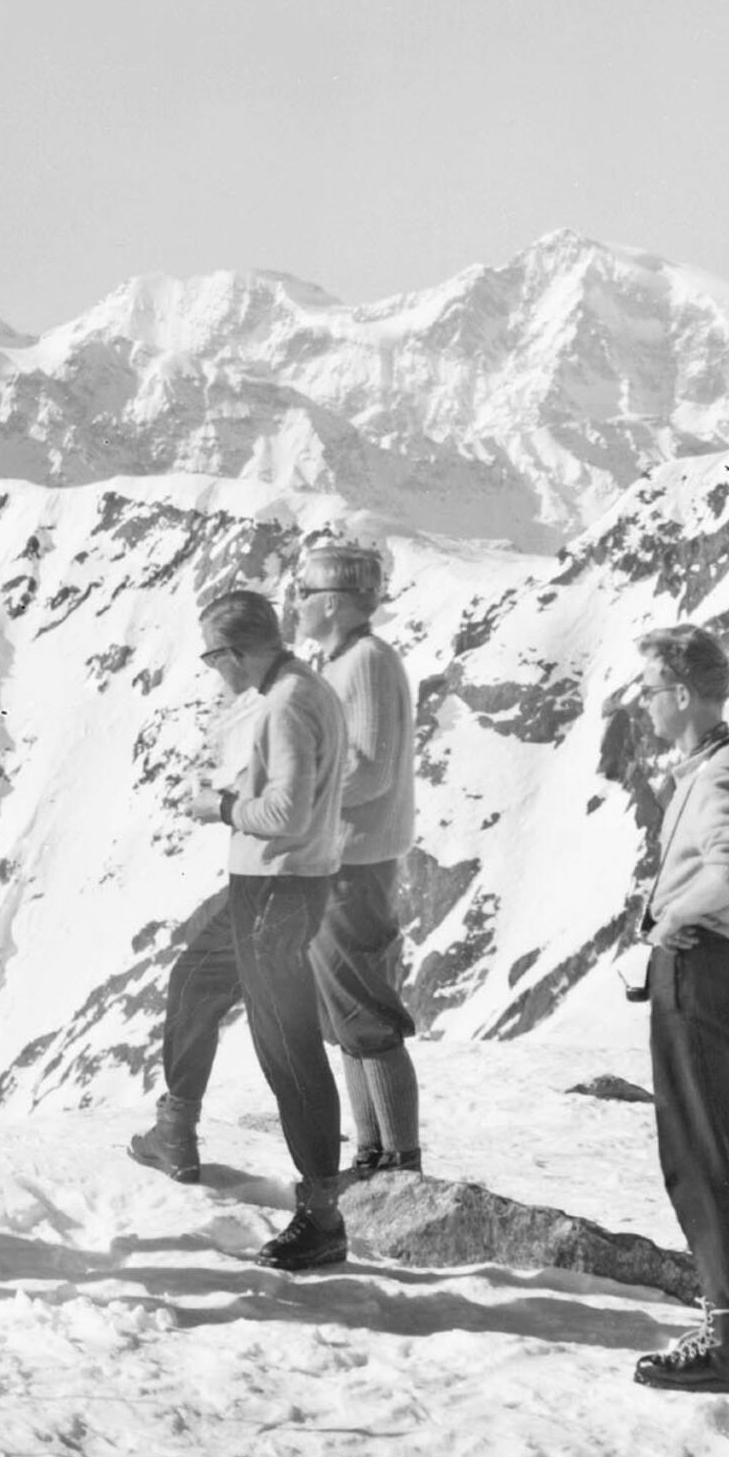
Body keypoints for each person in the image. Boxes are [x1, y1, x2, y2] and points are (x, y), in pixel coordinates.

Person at [169, 587, 351, 1271]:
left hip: (279, 889)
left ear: (237, 652)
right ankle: (174, 1125)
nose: (214, 669)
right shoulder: (300, 690)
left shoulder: (287, 703)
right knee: (195, 978)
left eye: (213, 656)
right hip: (268, 887)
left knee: (286, 1046)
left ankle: (322, 1215)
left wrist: (220, 807)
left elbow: (287, 813)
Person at [622, 623, 729, 1391]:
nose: (645, 704)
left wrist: (669, 918)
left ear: (682, 694)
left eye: (651, 690)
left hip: (699, 968)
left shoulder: (720, 774)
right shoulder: (725, 767)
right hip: (717, 967)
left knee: (697, 1160)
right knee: (707, 1154)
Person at [292, 538, 425, 1180]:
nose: (296, 602)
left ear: (335, 603)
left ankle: (397, 1159)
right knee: (346, 1013)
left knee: (363, 1011)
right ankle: (374, 1152)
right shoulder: (348, 661)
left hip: (354, 863)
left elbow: (369, 769)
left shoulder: (365, 661)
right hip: (340, 859)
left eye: (305, 592)